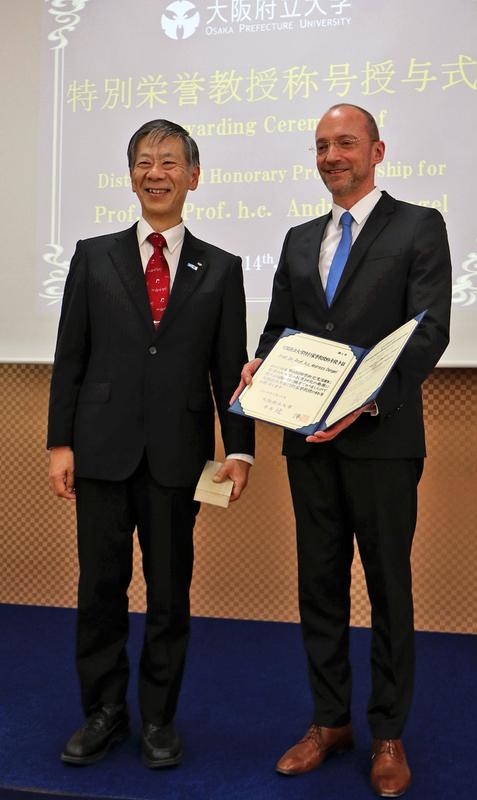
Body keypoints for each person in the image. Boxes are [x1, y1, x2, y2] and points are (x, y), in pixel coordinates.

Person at [232, 103, 451, 797]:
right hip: (307, 443)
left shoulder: (418, 225)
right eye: (322, 145)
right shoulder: (298, 240)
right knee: (318, 587)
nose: (332, 155)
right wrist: (258, 368)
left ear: (377, 151)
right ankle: (329, 722)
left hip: (382, 439)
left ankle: (387, 731)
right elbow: (277, 332)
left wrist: (365, 401)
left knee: (388, 587)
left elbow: (427, 331)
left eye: (346, 143)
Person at [47, 119, 254, 768]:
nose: (155, 172)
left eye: (169, 161)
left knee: (170, 595)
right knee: (99, 592)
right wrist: (59, 443)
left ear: (193, 175)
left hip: (178, 456)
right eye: (144, 161)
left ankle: (159, 718)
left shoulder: (219, 268)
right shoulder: (93, 255)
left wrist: (240, 450)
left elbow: (229, 367)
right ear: (131, 175)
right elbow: (70, 357)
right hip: (100, 451)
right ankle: (104, 712)